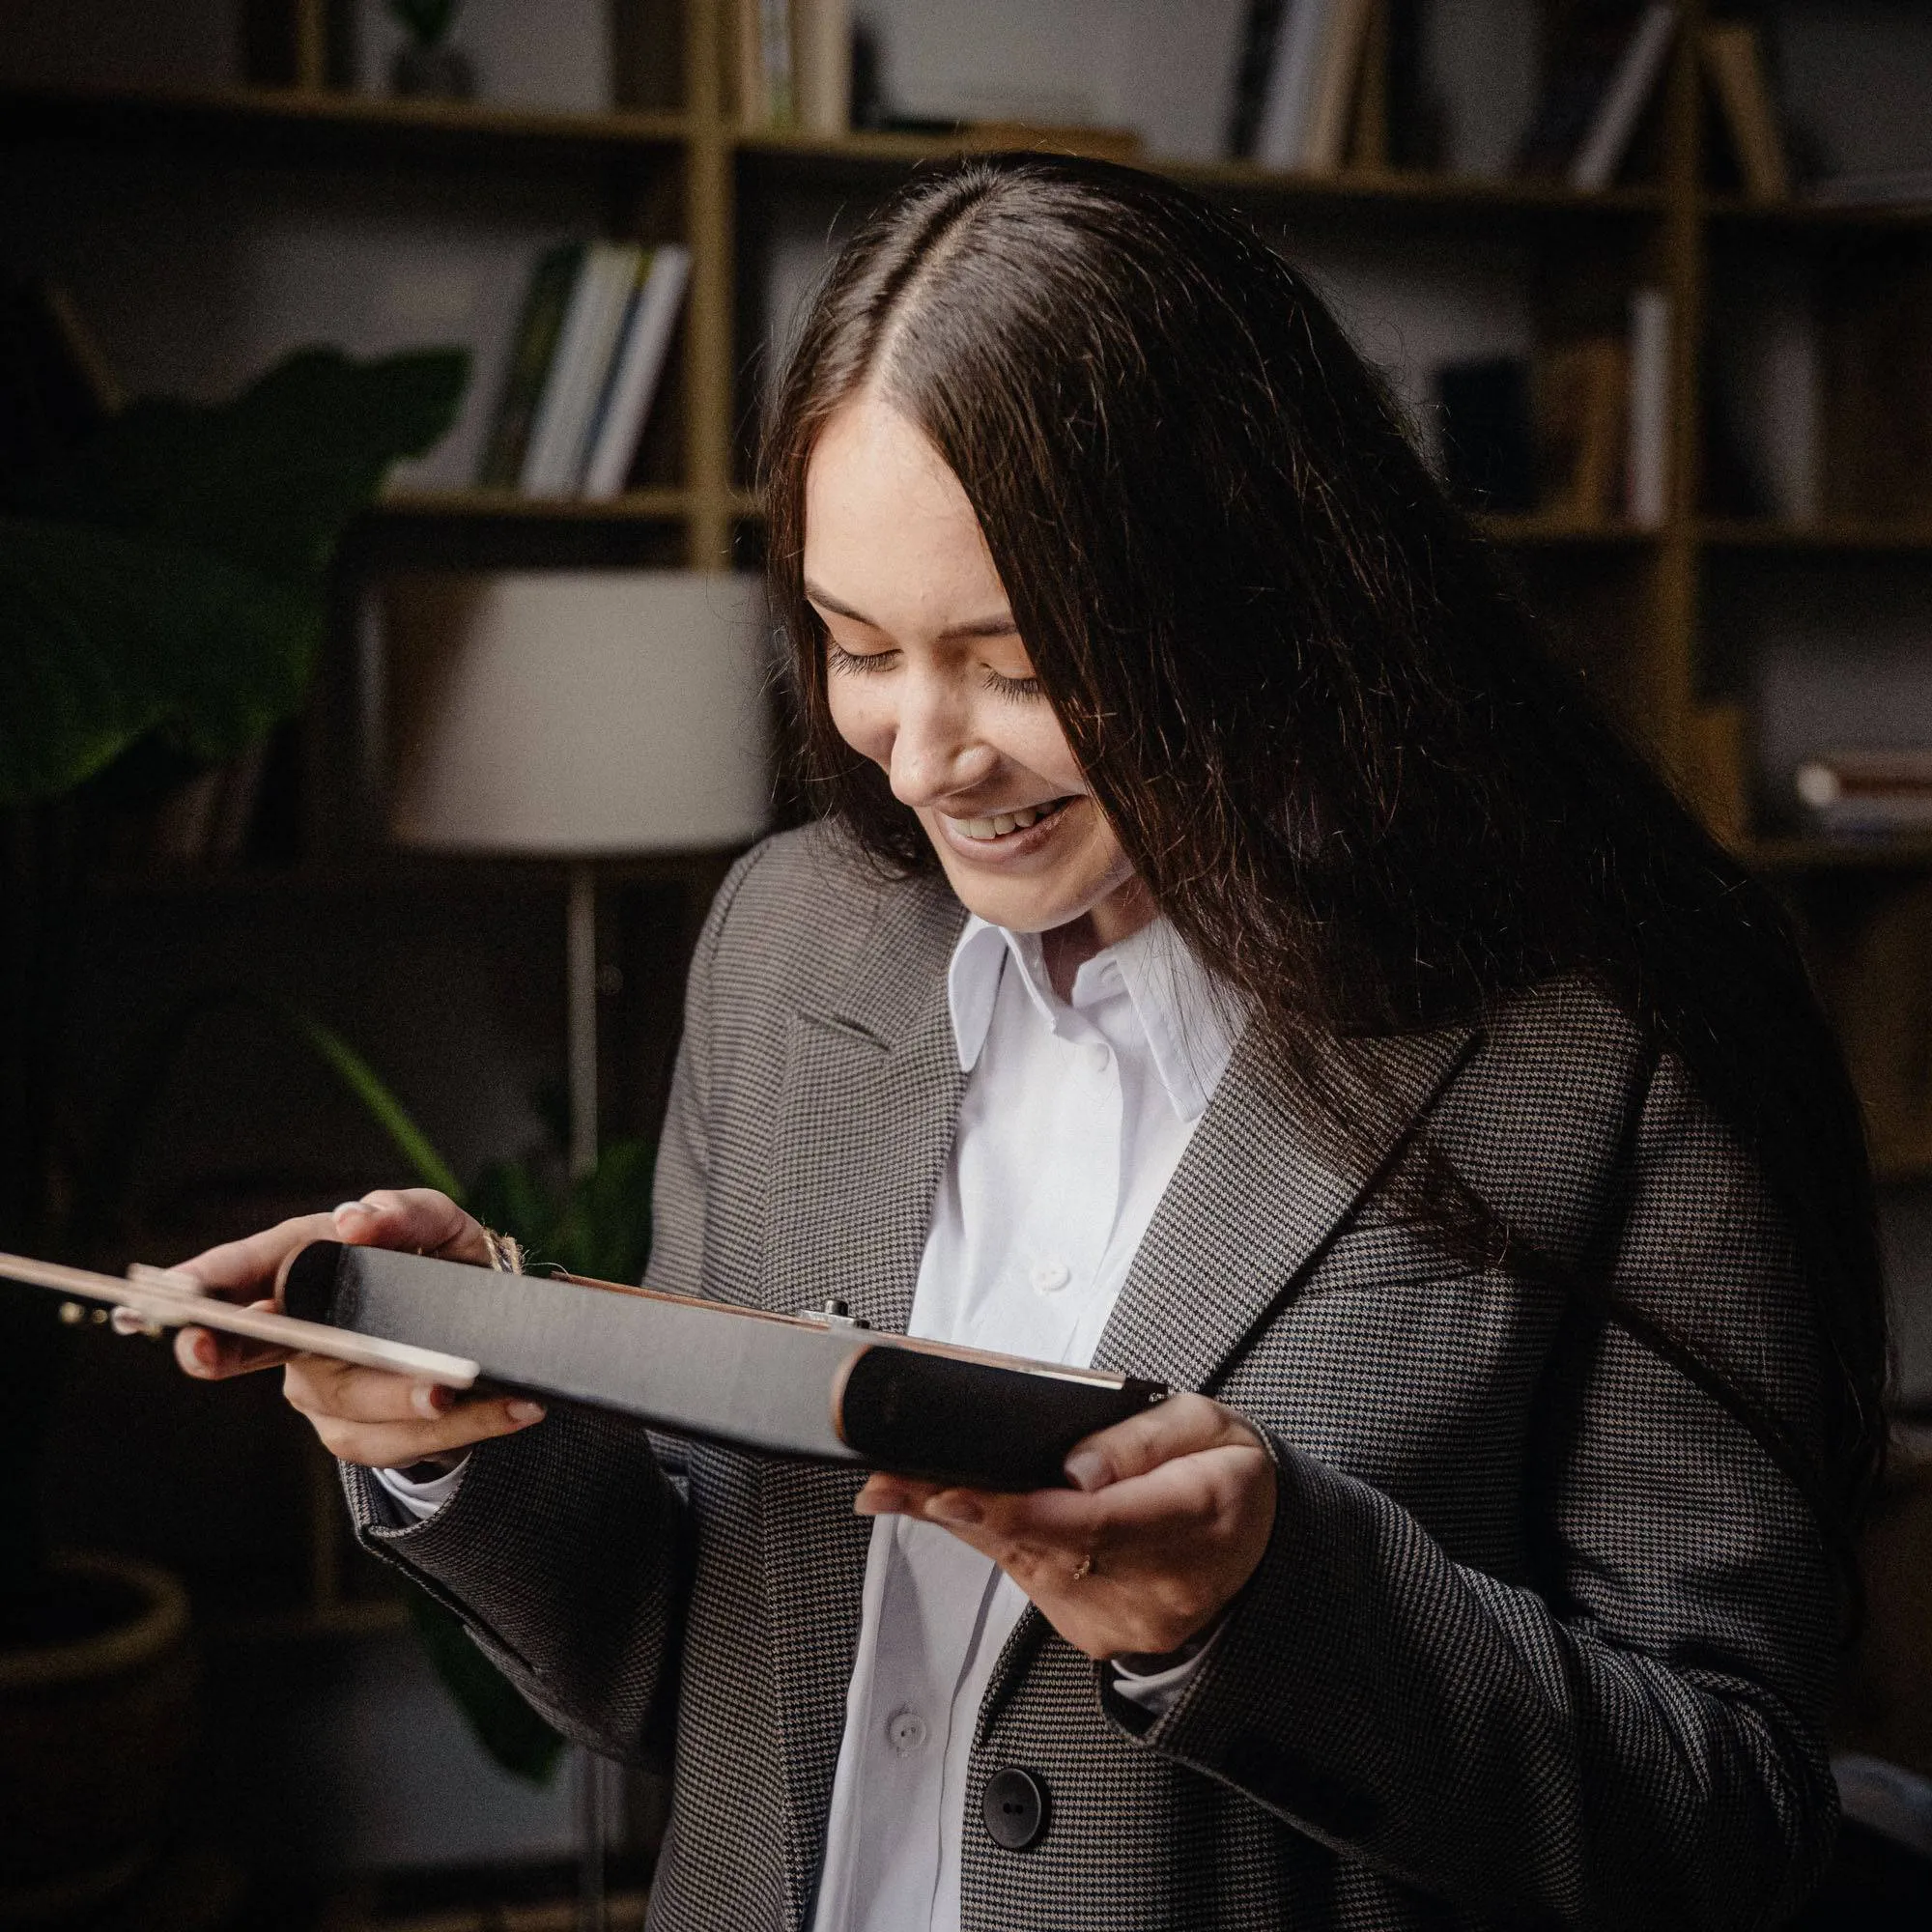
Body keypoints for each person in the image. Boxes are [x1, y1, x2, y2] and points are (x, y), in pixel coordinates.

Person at [174, 155, 1888, 1930]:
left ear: (1262, 598)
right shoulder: (787, 942)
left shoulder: (1601, 1050)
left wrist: (1270, 1605)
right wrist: (466, 1437)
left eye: (1012, 663)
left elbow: (1736, 1828)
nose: (921, 757)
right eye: (858, 648)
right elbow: (700, 1673)